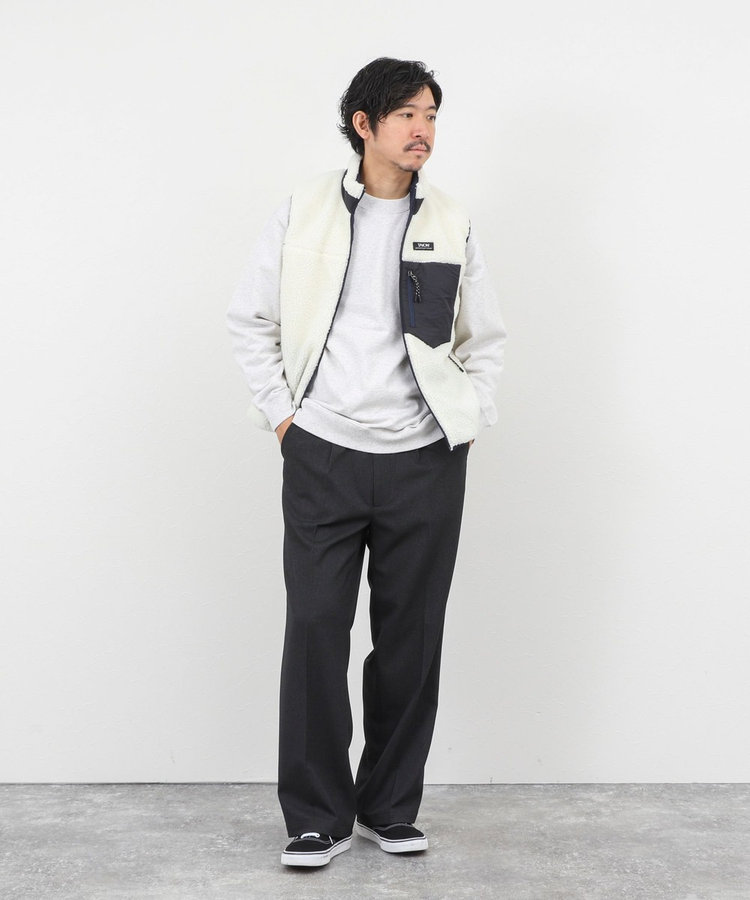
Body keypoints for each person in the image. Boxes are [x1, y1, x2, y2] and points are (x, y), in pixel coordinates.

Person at [226, 57, 507, 868]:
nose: (423, 130)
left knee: (410, 639)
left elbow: (483, 338)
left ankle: (389, 806)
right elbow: (250, 319)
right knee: (316, 629)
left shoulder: (450, 220)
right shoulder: (305, 210)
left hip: (424, 459)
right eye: (408, 115)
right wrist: (285, 419)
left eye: (431, 116)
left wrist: (468, 417)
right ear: (364, 124)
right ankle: (316, 816)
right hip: (323, 452)